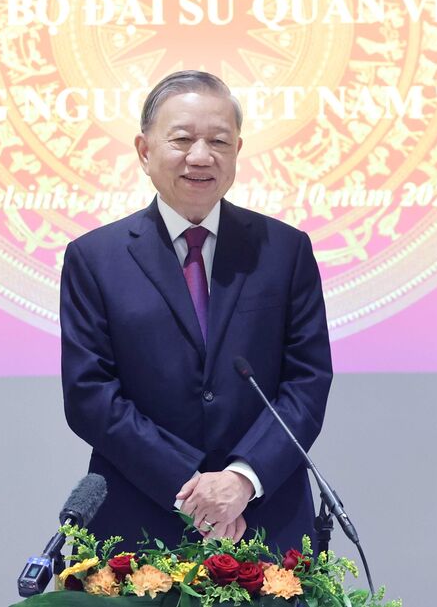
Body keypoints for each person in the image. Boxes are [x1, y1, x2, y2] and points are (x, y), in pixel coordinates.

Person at [60, 70, 332, 553]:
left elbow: (306, 383)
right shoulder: (94, 258)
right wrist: (190, 487)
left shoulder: (285, 251)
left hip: (264, 518)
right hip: (139, 521)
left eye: (219, 141)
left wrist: (242, 479)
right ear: (144, 151)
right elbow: (91, 396)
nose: (201, 156)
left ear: (237, 151)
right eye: (182, 139)